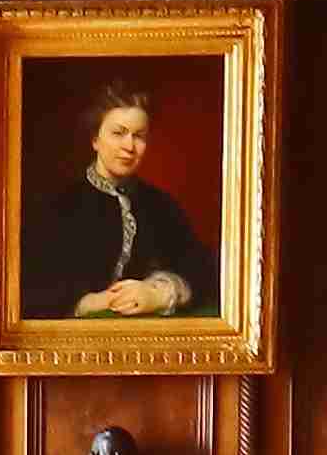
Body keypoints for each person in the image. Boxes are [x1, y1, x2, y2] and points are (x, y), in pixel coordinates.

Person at [17, 86, 214, 320]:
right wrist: (89, 302)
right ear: (95, 140)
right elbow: (31, 288)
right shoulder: (58, 204)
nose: (129, 146)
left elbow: (202, 270)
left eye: (139, 136)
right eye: (118, 133)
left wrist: (158, 293)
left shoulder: (161, 204)